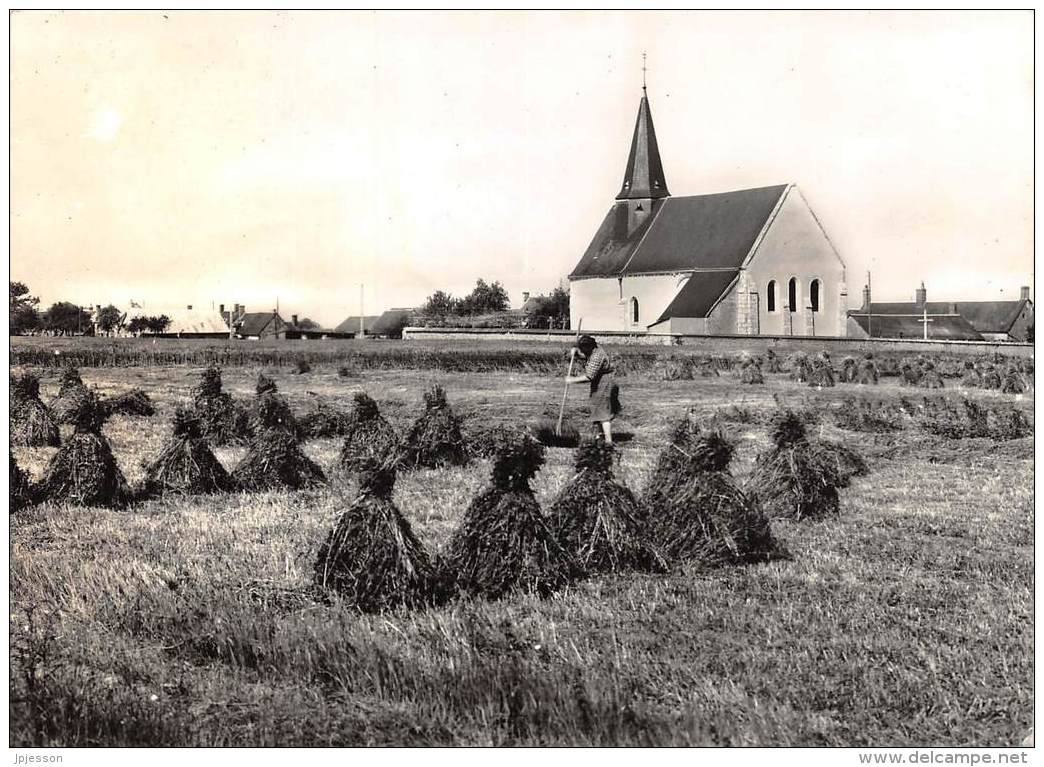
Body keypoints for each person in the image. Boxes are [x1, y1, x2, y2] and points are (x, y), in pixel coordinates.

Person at [566, 335, 621, 443]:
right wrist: (576, 353)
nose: (582, 351)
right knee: (597, 408)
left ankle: (608, 442)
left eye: (582, 349)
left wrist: (572, 380)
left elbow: (589, 376)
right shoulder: (595, 349)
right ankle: (600, 436)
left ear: (589, 347)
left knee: (604, 413)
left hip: (605, 383)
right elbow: (586, 356)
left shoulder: (597, 356)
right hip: (600, 382)